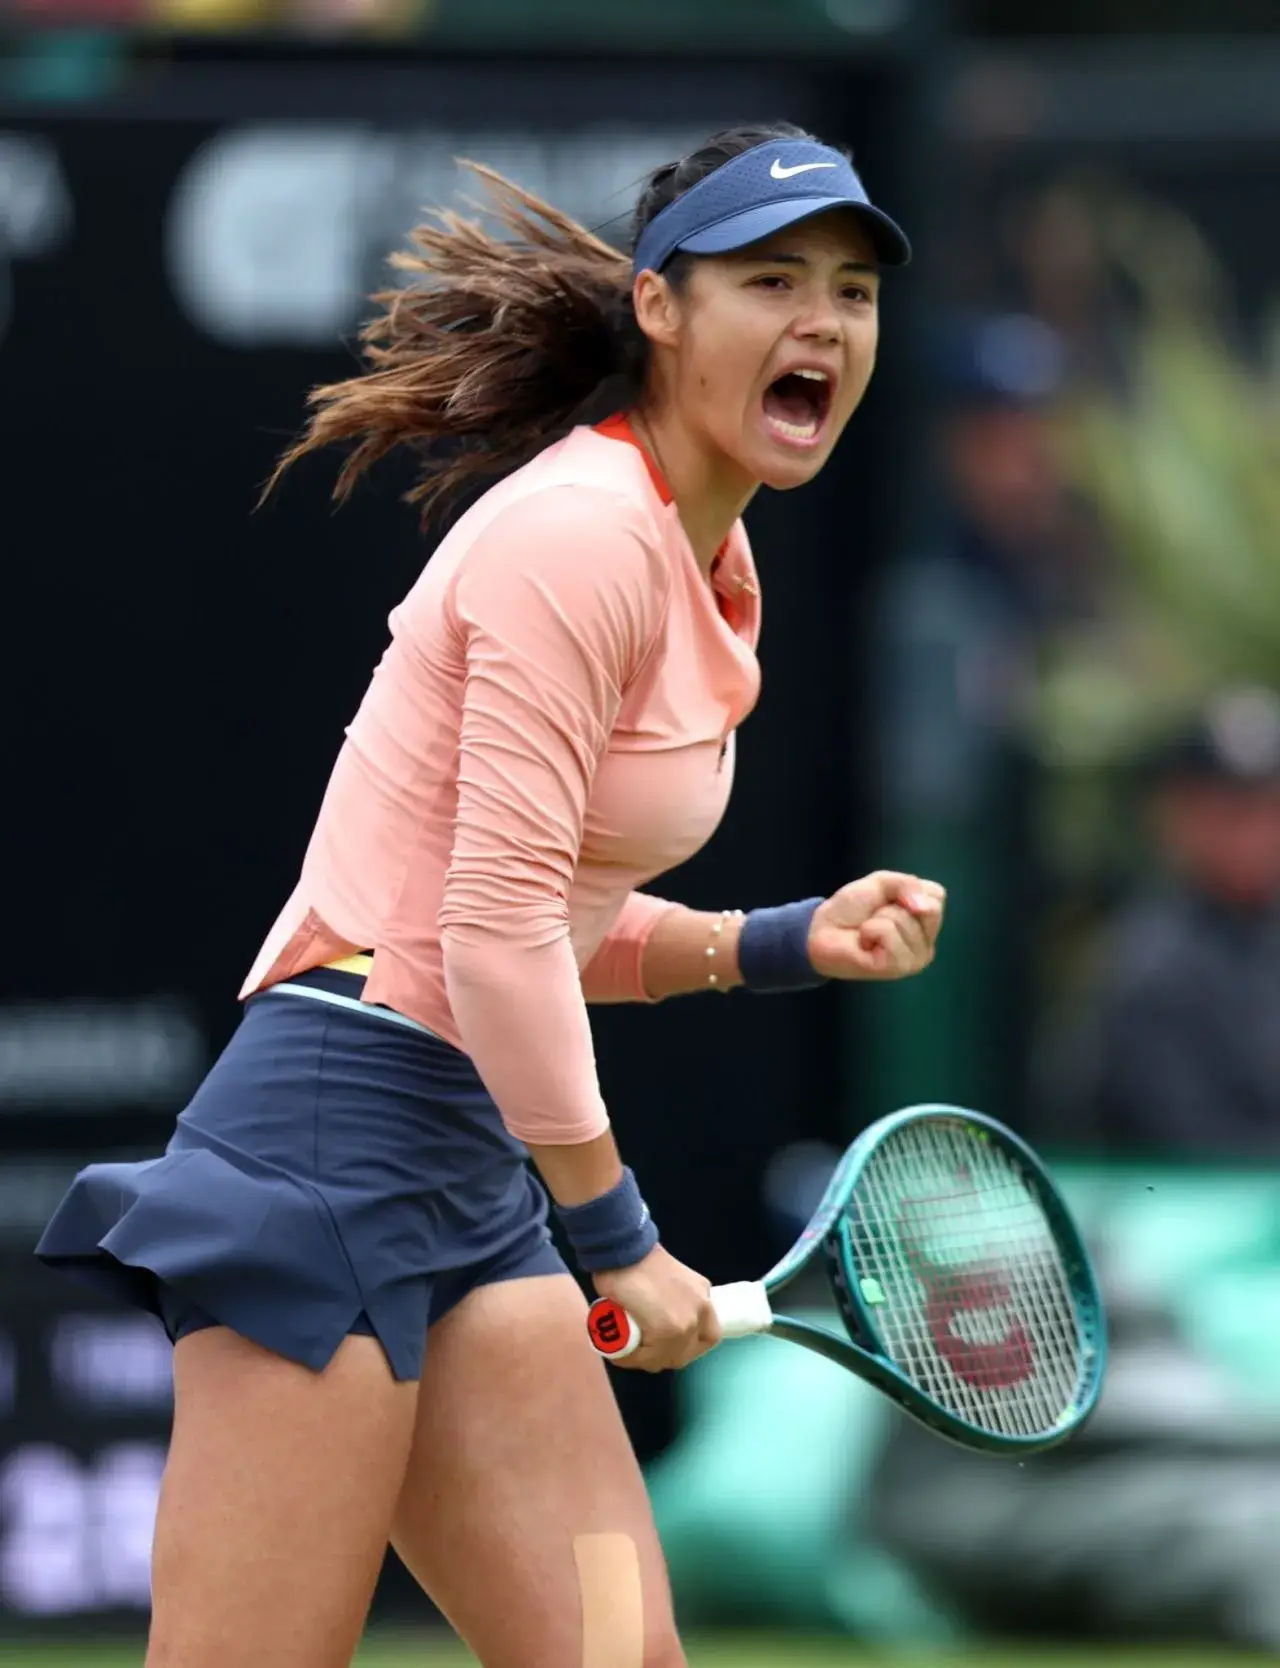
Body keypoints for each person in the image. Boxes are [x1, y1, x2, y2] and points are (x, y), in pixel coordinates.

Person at [36, 123, 945, 1668]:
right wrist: (620, 1239)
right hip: (325, 1151)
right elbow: (490, 933)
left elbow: (535, 917)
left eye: (852, 293)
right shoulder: (575, 537)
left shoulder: (708, 570)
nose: (825, 322)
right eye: (774, 280)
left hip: (462, 1162)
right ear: (660, 306)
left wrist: (781, 944)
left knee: (614, 1661)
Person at [1037, 686, 1280, 1157]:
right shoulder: (1143, 964)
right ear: (1175, 815)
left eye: (1267, 807)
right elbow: (1193, 1144)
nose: (1255, 834)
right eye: (1229, 813)